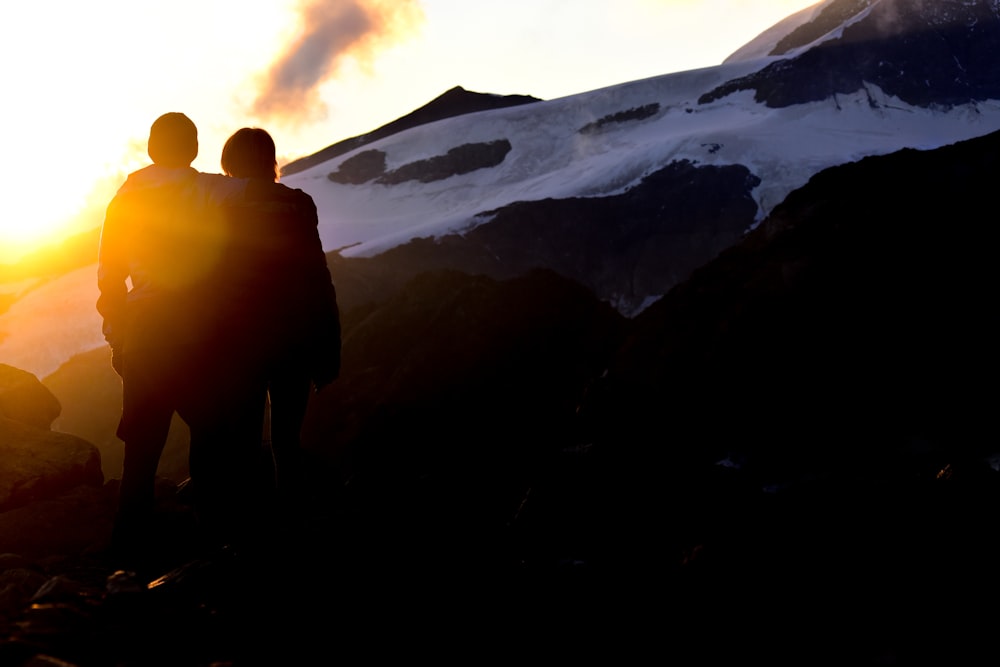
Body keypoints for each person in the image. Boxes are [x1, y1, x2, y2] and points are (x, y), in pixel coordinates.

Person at [97, 112, 246, 562]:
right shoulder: (212, 189)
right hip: (197, 332)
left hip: (144, 332)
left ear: (151, 148)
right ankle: (213, 540)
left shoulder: (126, 197)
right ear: (194, 148)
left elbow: (109, 275)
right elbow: (260, 190)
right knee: (209, 435)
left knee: (141, 448)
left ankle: (126, 550)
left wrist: (117, 329)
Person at [215, 127, 341, 517]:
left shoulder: (219, 207)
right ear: (270, 161)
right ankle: (293, 522)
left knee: (243, 439)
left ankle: (250, 531)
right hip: (295, 338)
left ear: (230, 163)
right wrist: (329, 348)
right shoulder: (299, 205)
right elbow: (318, 277)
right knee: (287, 439)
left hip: (241, 340)